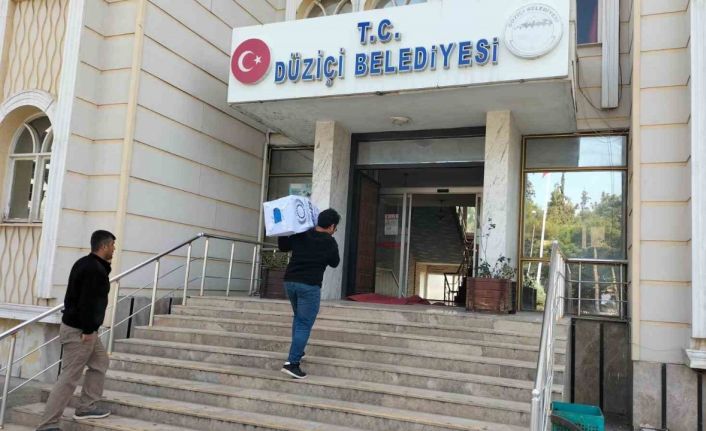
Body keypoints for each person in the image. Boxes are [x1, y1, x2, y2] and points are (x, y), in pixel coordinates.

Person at [36, 231, 116, 431]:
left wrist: (90, 329)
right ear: (104, 246)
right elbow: (88, 302)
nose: (114, 249)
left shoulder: (86, 263)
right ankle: (48, 424)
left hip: (85, 329)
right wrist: (88, 330)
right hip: (80, 331)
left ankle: (87, 406)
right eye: (112, 245)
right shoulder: (93, 269)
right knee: (70, 376)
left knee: (100, 362)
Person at [278, 208, 341, 379]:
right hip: (309, 286)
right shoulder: (329, 242)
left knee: (299, 318)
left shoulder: (302, 233)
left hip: (290, 282)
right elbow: (335, 263)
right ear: (332, 226)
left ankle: (298, 350)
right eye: (336, 228)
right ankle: (292, 363)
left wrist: (283, 230)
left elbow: (283, 246)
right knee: (304, 323)